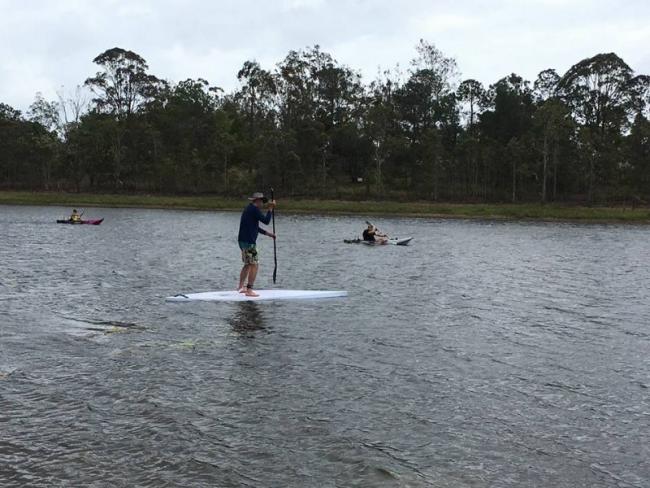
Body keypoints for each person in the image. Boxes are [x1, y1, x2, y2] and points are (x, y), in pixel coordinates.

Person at [237, 192, 276, 297]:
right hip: (249, 242)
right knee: (254, 264)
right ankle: (249, 290)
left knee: (248, 264)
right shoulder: (254, 210)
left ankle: (241, 287)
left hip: (243, 241)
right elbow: (266, 221)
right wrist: (270, 209)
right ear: (257, 201)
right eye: (262, 201)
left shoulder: (249, 209)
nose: (263, 203)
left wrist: (268, 234)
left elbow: (255, 227)